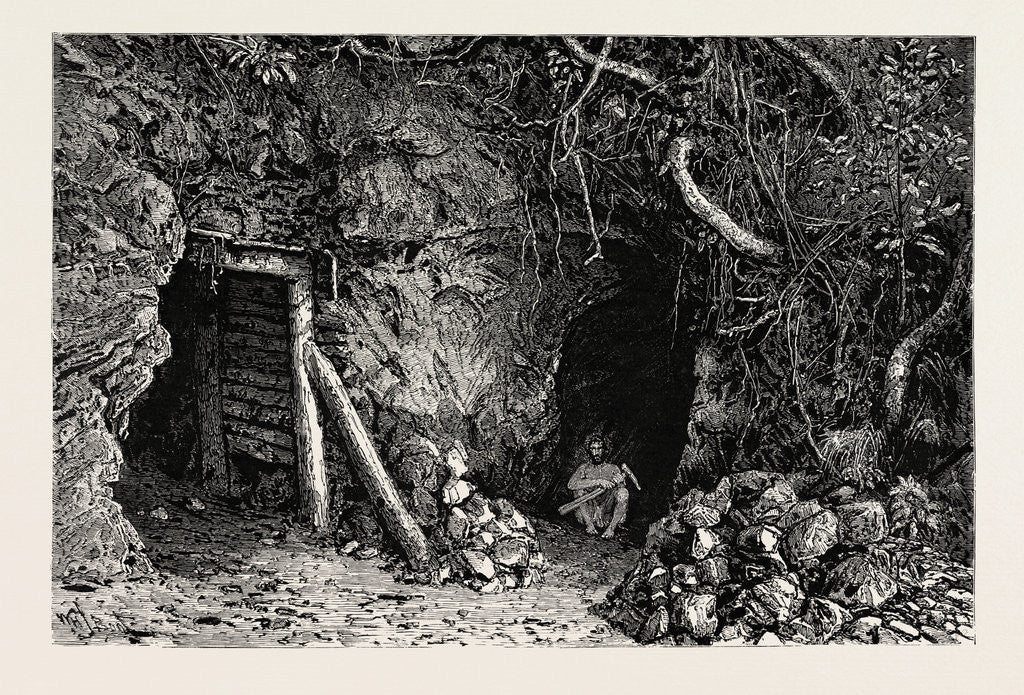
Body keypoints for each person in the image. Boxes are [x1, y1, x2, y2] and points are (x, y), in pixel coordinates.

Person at [567, 435, 630, 538]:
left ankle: (611, 529)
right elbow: (571, 485)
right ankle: (590, 526)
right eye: (593, 449)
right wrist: (597, 481)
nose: (596, 453)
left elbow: (622, 490)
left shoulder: (613, 468)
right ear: (589, 450)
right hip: (589, 513)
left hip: (606, 513)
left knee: (623, 492)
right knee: (579, 491)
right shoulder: (584, 468)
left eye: (599, 448)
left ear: (604, 450)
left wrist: (621, 481)